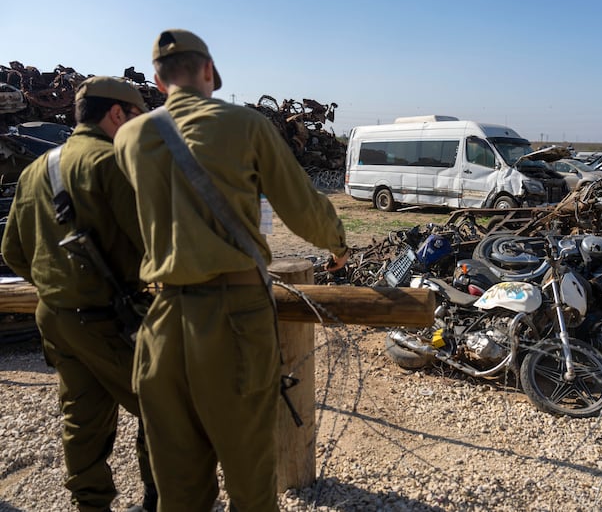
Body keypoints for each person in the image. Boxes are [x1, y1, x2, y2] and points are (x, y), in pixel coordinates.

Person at [113, 29, 350, 510]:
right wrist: (338, 244)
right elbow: (301, 205)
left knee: (178, 484)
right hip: (233, 316)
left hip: (160, 317)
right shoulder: (245, 125)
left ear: (158, 82)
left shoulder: (130, 138)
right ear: (208, 72)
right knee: (248, 474)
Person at [1, 76, 157, 512]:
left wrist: (59, 281)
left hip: (54, 317)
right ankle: (159, 499)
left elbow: (12, 252)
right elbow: (156, 248)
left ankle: (91, 504)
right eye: (137, 118)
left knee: (82, 417)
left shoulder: (37, 168)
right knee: (165, 408)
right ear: (116, 115)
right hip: (111, 318)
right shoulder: (114, 165)